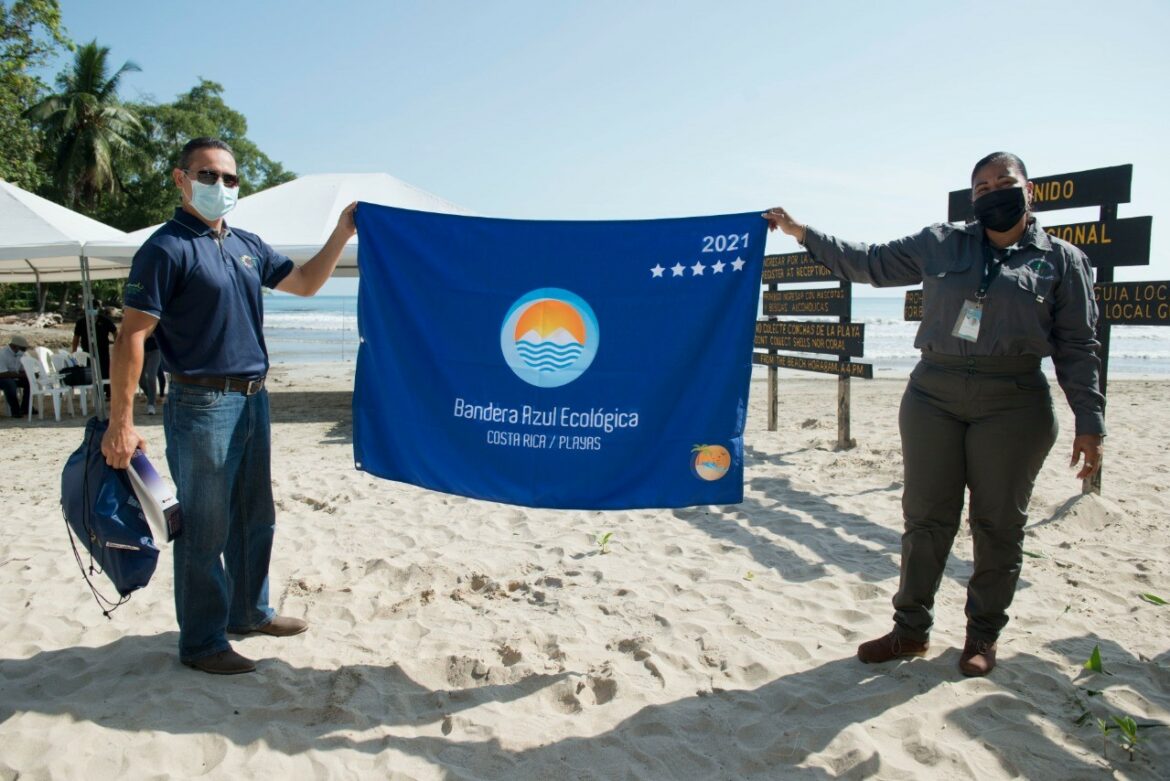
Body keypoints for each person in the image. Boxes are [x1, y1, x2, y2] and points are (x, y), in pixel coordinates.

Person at [763, 151, 1104, 677]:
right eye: (983, 187)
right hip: (933, 395)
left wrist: (1090, 421)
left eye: (1004, 182)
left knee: (997, 526)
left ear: (1028, 190)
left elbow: (1078, 346)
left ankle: (982, 637)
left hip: (1013, 401)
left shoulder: (1062, 261)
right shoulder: (941, 242)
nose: (994, 191)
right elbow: (869, 262)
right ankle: (910, 632)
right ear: (973, 198)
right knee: (925, 519)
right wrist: (801, 231)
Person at [102, 137, 357, 675]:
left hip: (253, 401)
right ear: (181, 178)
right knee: (205, 527)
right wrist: (120, 423)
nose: (221, 186)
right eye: (209, 175)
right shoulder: (166, 248)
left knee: (255, 517)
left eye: (230, 178)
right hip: (200, 404)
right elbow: (131, 338)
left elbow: (308, 283)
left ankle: (248, 612)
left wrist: (342, 231)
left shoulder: (247, 243)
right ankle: (201, 642)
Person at [71, 301, 118, 385]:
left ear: (98, 309)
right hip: (87, 349)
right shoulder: (81, 322)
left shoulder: (104, 320)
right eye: (89, 308)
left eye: (94, 308)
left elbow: (115, 332)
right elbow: (76, 338)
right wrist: (73, 352)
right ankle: (94, 389)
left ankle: (107, 392)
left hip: (103, 349)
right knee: (90, 370)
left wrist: (117, 345)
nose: (92, 310)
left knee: (105, 370)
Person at [0, 335, 31, 418]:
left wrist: (28, 373)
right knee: (10, 384)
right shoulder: (2, 354)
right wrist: (20, 375)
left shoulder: (19, 354)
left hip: (12, 376)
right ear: (14, 346)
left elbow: (20, 369)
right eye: (23, 349)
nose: (24, 351)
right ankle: (15, 410)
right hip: (2, 377)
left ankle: (25, 407)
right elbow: (2, 373)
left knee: (30, 382)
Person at [138, 334, 162, 414]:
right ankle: (153, 396)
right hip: (140, 350)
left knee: (151, 377)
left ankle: (151, 404)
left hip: (155, 350)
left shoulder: (156, 321)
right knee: (141, 382)